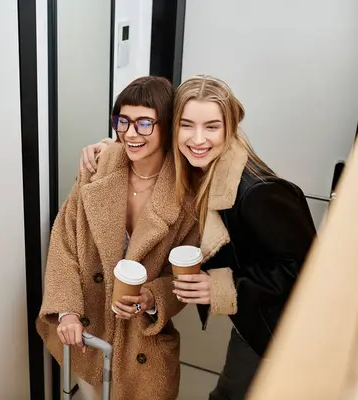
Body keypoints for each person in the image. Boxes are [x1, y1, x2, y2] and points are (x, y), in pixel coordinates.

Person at [78, 75, 317, 400]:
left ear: (230, 127)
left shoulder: (260, 193)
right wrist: (111, 149)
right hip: (252, 320)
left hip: (281, 332)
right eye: (186, 125)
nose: (197, 139)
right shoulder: (203, 169)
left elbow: (309, 273)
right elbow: (147, 149)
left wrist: (220, 287)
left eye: (211, 127)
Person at [36, 76, 235, 400]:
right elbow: (64, 242)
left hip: (143, 342)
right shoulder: (97, 170)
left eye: (144, 123)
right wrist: (67, 311)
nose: (130, 132)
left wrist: (152, 297)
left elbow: (183, 277)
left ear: (167, 126)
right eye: (123, 121)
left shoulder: (190, 196)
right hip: (87, 332)